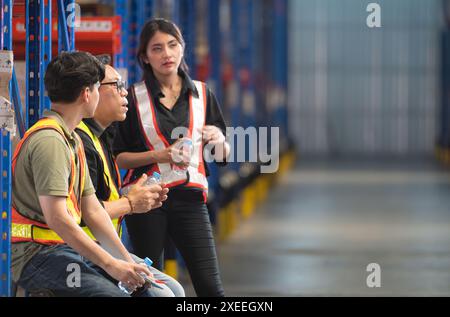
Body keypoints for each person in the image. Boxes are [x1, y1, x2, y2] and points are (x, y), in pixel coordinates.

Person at [11, 51, 153, 297]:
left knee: (146, 291)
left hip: (63, 250)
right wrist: (111, 265)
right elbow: (58, 218)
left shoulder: (72, 138)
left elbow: (92, 209)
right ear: (87, 94)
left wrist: (125, 260)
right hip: (37, 256)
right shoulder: (50, 141)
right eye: (98, 88)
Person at [114, 18, 230, 297]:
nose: (166, 54)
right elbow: (118, 158)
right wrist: (160, 154)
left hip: (191, 201)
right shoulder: (132, 97)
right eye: (157, 48)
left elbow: (222, 155)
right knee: (147, 289)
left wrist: (220, 140)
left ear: (182, 48)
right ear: (145, 56)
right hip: (147, 203)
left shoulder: (203, 94)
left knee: (210, 288)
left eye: (172, 45)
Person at [75, 55, 184, 297]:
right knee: (162, 294)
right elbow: (83, 213)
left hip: (104, 244)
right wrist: (130, 203)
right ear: (90, 91)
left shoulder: (101, 137)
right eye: (117, 85)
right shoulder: (80, 141)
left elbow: (99, 197)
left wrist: (130, 195)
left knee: (174, 289)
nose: (125, 93)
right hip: (83, 250)